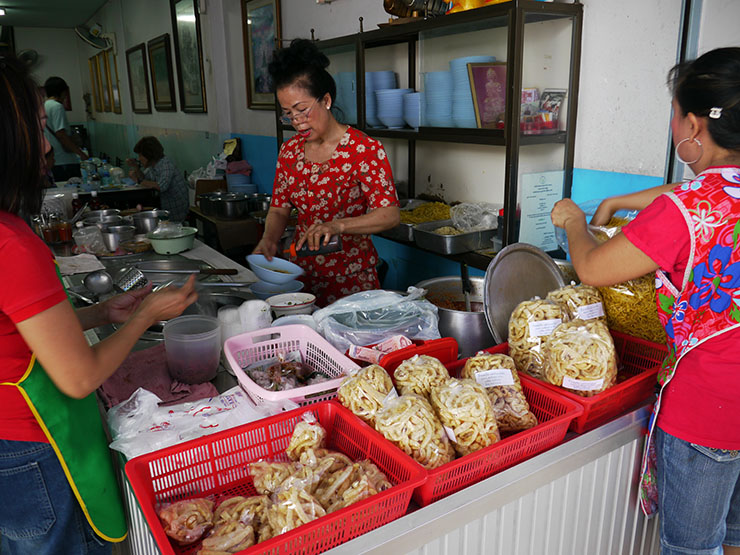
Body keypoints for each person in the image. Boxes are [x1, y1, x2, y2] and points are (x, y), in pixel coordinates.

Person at [0, 55, 198, 554]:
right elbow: (81, 375)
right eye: (36, 130)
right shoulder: (12, 245)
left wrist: (103, 313)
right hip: (33, 449)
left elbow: (19, 330)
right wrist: (148, 316)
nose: (45, 146)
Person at [551, 47, 740, 555]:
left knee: (692, 547)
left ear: (695, 126)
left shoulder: (686, 211)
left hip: (708, 410)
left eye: (676, 114)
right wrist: (618, 202)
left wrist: (574, 221)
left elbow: (592, 268)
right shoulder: (705, 198)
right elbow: (693, 189)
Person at [253, 39, 401, 307]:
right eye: (287, 114)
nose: (296, 121)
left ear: (327, 100)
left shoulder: (363, 149)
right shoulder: (289, 152)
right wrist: (269, 240)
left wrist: (338, 225)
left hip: (352, 282)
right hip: (301, 280)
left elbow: (389, 214)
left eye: (302, 110)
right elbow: (278, 209)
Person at [126, 136, 190, 222]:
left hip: (175, 212)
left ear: (149, 155)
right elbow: (145, 179)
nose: (139, 158)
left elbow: (161, 186)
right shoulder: (153, 166)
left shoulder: (166, 165)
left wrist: (139, 181)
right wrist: (136, 167)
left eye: (141, 155)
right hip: (164, 208)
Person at [43, 76, 88, 182]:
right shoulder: (57, 107)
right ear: (62, 92)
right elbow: (61, 134)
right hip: (64, 160)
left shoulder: (44, 105)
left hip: (52, 160)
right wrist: (81, 154)